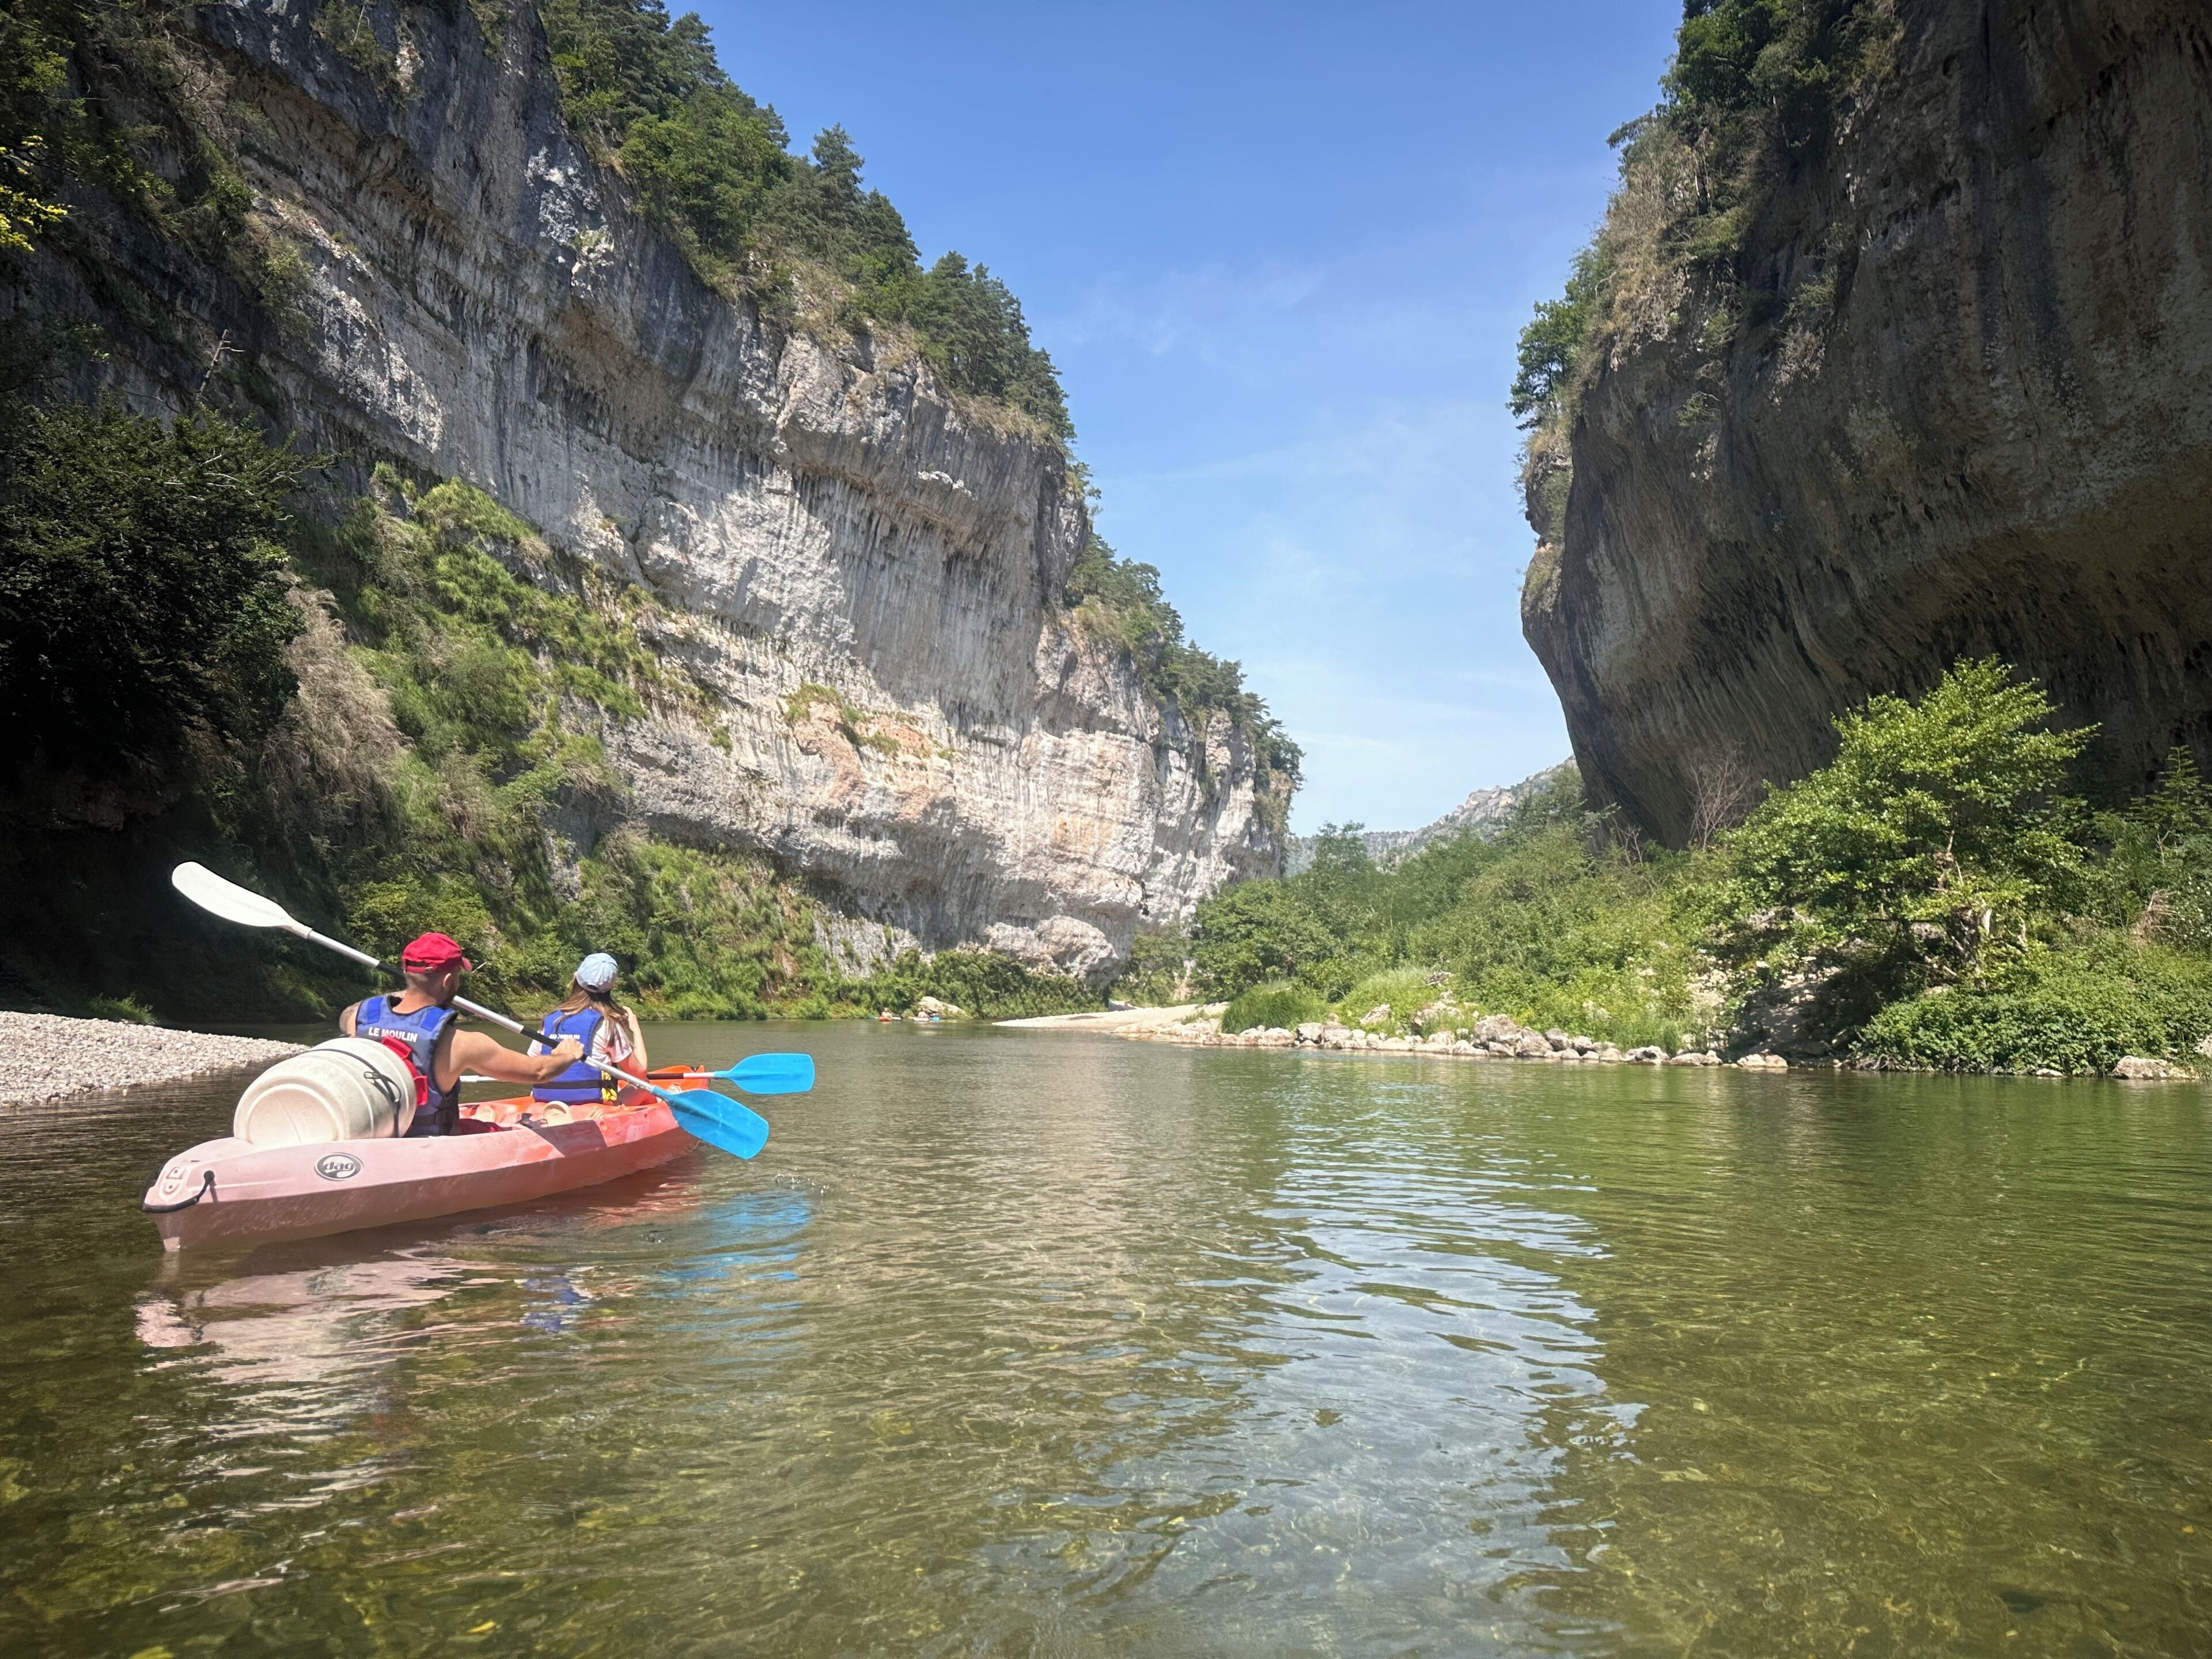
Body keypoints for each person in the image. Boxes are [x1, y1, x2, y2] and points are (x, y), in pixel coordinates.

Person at [340, 932, 583, 1136]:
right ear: (447, 981)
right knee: (510, 1130)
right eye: (457, 976)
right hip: (430, 1145)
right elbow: (538, 1071)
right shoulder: (461, 1043)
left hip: (373, 1133)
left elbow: (346, 1016)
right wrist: (566, 1055)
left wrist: (407, 994)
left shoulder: (360, 1017)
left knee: (479, 1126)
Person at [528, 953, 649, 1107]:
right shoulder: (608, 1024)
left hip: (546, 1101)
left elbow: (532, 1062)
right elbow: (639, 1073)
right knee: (644, 1084)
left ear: (575, 977)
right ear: (611, 987)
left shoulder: (551, 1020)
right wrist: (635, 1030)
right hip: (595, 1105)